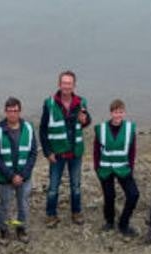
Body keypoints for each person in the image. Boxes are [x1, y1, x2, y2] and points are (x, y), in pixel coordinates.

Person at [39, 70, 91, 227]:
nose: (66, 86)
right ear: (59, 84)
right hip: (57, 153)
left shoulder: (81, 102)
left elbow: (86, 120)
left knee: (76, 185)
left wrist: (85, 119)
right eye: (64, 83)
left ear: (74, 85)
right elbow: (43, 130)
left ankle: (76, 212)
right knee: (53, 187)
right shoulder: (50, 103)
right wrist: (48, 152)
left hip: (75, 152)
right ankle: (51, 214)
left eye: (69, 83)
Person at [0, 97, 38, 243]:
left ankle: (20, 228)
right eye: (9, 111)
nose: (12, 114)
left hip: (24, 177)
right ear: (5, 112)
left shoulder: (29, 128)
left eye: (15, 111)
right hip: (6, 178)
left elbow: (33, 153)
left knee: (22, 205)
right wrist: (11, 176)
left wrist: (23, 175)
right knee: (5, 205)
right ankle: (4, 230)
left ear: (20, 111)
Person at [93, 99, 140, 238]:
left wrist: (131, 167)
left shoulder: (130, 128)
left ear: (124, 113)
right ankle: (109, 221)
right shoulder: (101, 128)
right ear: (111, 113)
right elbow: (96, 149)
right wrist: (97, 167)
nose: (118, 115)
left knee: (133, 194)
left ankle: (123, 223)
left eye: (120, 112)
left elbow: (132, 150)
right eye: (115, 112)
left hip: (123, 167)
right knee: (109, 196)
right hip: (105, 168)